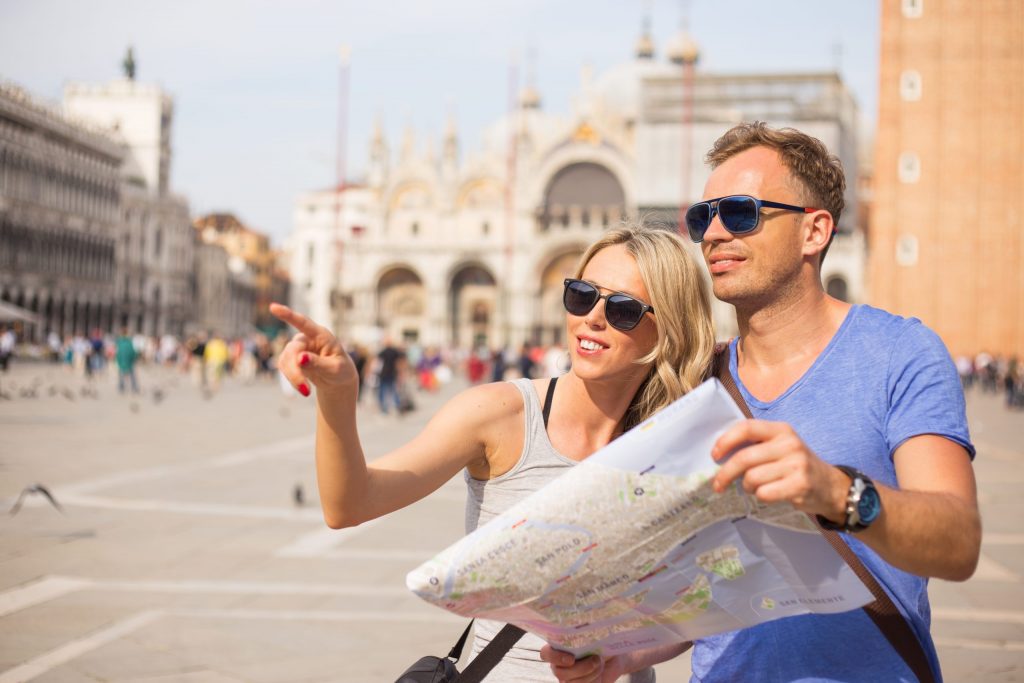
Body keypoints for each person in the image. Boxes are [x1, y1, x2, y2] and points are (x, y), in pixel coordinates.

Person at [544, 122, 981, 682]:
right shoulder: (696, 383)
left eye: (742, 212)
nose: (715, 233)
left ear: (814, 231)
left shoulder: (898, 352)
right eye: (703, 217)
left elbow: (958, 541)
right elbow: (709, 589)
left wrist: (836, 491)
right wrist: (628, 652)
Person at [270, 225, 716, 682]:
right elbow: (350, 504)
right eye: (582, 295)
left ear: (670, 326)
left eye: (622, 309)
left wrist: (625, 659)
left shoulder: (679, 444)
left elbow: (696, 605)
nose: (592, 318)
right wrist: (339, 396)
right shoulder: (499, 414)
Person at [115, 327, 140, 394]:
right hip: (129, 360)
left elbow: (118, 352)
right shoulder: (129, 341)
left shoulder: (119, 342)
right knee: (132, 375)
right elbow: (133, 352)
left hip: (122, 360)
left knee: (121, 374)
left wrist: (118, 360)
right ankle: (134, 388)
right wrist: (134, 358)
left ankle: (121, 387)